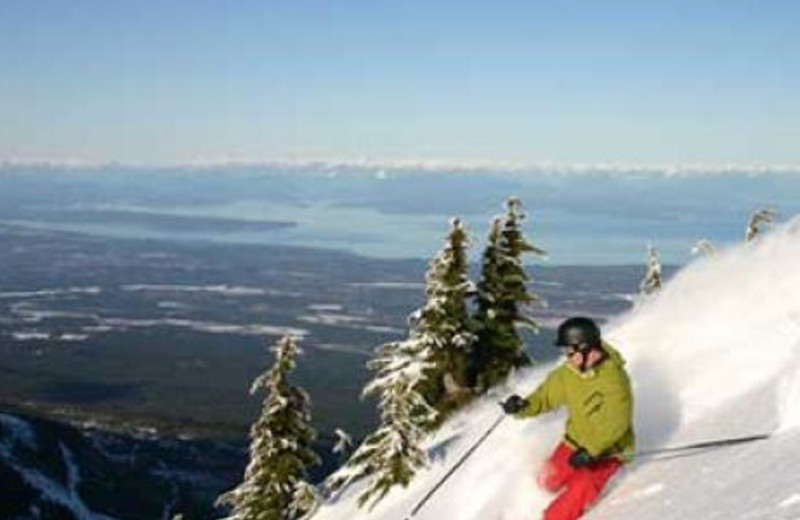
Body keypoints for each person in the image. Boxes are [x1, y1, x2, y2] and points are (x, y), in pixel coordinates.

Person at [501, 316, 635, 520]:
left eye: (569, 351)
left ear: (586, 348)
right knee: (546, 481)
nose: (566, 356)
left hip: (606, 453)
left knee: (574, 495)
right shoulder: (569, 373)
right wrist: (523, 406)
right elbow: (545, 397)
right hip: (574, 443)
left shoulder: (614, 380)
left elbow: (616, 424)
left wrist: (590, 451)